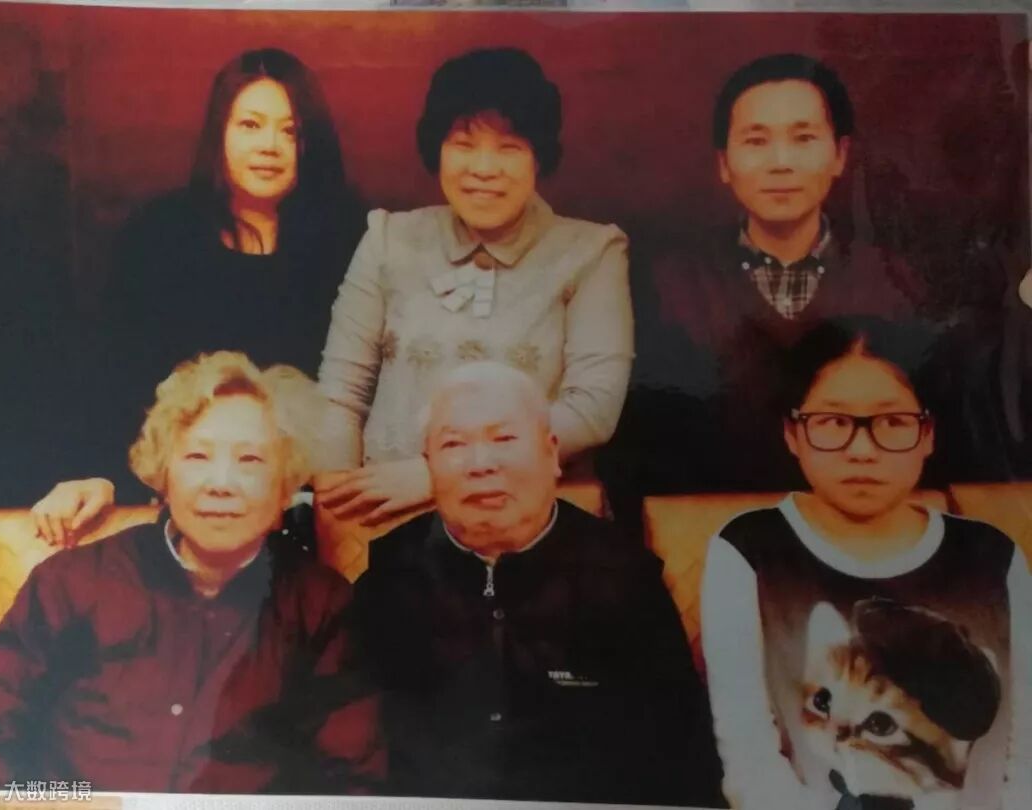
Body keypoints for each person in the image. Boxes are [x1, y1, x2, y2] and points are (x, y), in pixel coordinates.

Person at [0, 352, 382, 794]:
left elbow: (353, 782)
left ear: (285, 485)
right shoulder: (71, 582)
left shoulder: (321, 606)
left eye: (250, 459)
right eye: (197, 455)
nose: (221, 483)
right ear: (164, 474)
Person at [30, 47, 363, 544]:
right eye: (250, 125)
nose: (270, 146)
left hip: (310, 498)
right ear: (219, 133)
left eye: (290, 131)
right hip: (188, 492)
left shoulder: (351, 238)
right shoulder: (159, 235)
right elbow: (112, 374)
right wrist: (100, 473)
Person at [352, 361, 723, 805]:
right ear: (429, 465)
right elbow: (354, 751)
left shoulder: (622, 575)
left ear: (551, 455)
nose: (481, 464)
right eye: (454, 444)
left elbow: (681, 755)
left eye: (504, 439)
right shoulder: (390, 576)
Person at [700, 317, 1031, 810]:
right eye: (833, 422)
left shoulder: (992, 556)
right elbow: (750, 764)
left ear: (927, 433)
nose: (862, 450)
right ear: (793, 433)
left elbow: (1026, 756)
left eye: (892, 422)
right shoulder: (749, 550)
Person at [315, 47, 633, 527]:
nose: (483, 168)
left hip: (530, 525)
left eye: (509, 147)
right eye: (463, 144)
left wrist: (438, 473)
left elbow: (592, 411)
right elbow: (340, 395)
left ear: (539, 157)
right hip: (386, 519)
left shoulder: (592, 252)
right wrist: (340, 509)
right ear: (437, 149)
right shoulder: (387, 239)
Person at [608, 53, 927, 514]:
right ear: (724, 163)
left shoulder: (894, 281)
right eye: (756, 141)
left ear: (840, 155)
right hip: (707, 525)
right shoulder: (669, 282)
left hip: (862, 526)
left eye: (803, 138)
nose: (781, 163)